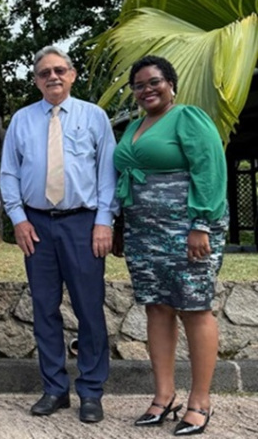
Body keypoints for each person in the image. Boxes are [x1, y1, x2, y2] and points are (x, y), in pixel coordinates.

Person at [0, 45, 118, 423]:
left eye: (59, 70)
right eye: (44, 72)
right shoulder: (21, 119)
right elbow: (9, 173)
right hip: (36, 224)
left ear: (73, 74)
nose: (52, 77)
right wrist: (18, 218)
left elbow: (107, 173)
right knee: (44, 309)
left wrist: (104, 221)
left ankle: (90, 391)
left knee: (89, 309)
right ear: (35, 80)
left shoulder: (94, 116)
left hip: (83, 224)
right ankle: (54, 388)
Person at [113, 55, 227, 436]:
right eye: (139, 84)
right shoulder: (134, 126)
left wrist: (201, 224)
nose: (147, 89)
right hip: (144, 233)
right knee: (157, 309)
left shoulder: (188, 117)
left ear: (171, 83)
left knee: (194, 308)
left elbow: (209, 170)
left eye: (154, 81)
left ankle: (200, 402)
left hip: (187, 229)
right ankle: (164, 397)